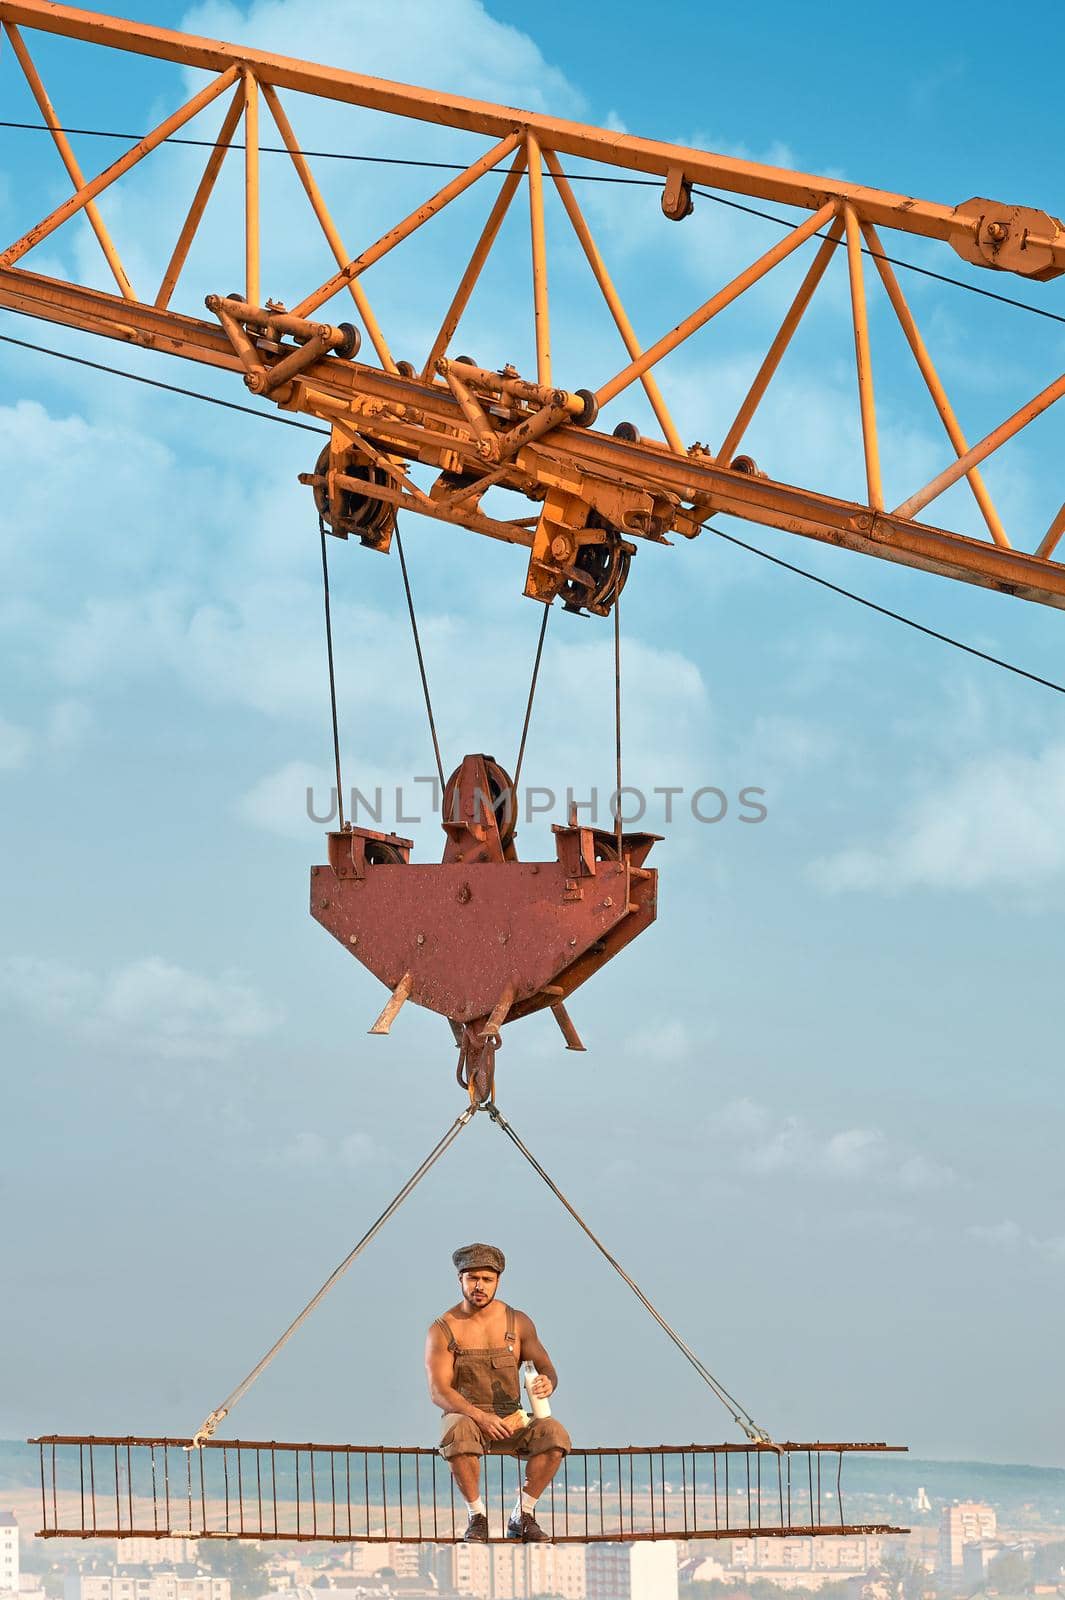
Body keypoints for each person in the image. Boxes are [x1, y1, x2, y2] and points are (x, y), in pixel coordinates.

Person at [425, 1242, 571, 1543]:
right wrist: (480, 1416)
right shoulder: (443, 1328)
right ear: (460, 1280)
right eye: (472, 1278)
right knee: (458, 1433)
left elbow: (548, 1369)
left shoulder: (517, 1323)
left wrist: (547, 1382)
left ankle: (524, 1514)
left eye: (487, 1279)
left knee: (555, 1434)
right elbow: (439, 1391)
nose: (479, 1285)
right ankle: (476, 1516)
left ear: (498, 1281)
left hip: (512, 1418)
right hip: (468, 1417)